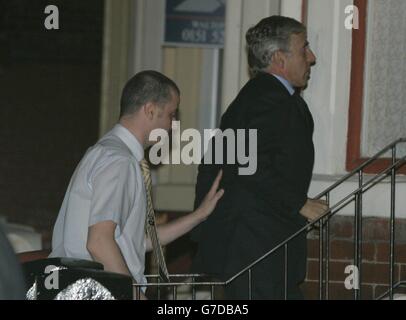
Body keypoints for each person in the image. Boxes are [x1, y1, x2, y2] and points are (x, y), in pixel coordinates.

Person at [49, 70, 224, 299]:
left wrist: (198, 215)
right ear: (150, 110)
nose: (173, 125)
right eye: (171, 115)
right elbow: (99, 243)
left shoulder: (105, 152)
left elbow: (132, 242)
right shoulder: (119, 161)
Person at [191, 16, 328, 299]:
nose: (312, 58)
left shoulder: (265, 96)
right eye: (304, 49)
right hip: (255, 249)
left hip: (259, 249)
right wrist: (299, 203)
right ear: (279, 58)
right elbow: (244, 162)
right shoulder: (267, 98)